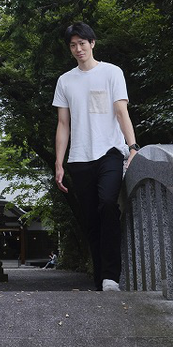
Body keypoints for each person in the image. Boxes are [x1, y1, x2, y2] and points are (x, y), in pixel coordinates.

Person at [52, 22, 139, 291]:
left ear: (92, 43)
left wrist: (133, 146)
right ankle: (100, 277)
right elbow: (63, 124)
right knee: (91, 219)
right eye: (73, 45)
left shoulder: (112, 72)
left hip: (110, 152)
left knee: (108, 205)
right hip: (79, 158)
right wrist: (59, 161)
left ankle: (111, 276)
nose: (78, 49)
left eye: (82, 43)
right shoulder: (65, 81)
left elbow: (121, 112)